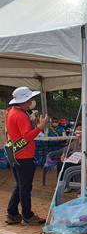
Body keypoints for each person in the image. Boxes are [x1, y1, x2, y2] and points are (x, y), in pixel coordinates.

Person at [5, 87, 49, 225]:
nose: (33, 101)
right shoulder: (21, 115)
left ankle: (12, 213)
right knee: (25, 187)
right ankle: (27, 216)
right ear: (25, 100)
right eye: (31, 99)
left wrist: (34, 126)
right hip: (23, 155)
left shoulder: (12, 112)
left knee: (20, 185)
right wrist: (40, 127)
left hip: (13, 153)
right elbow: (26, 137)